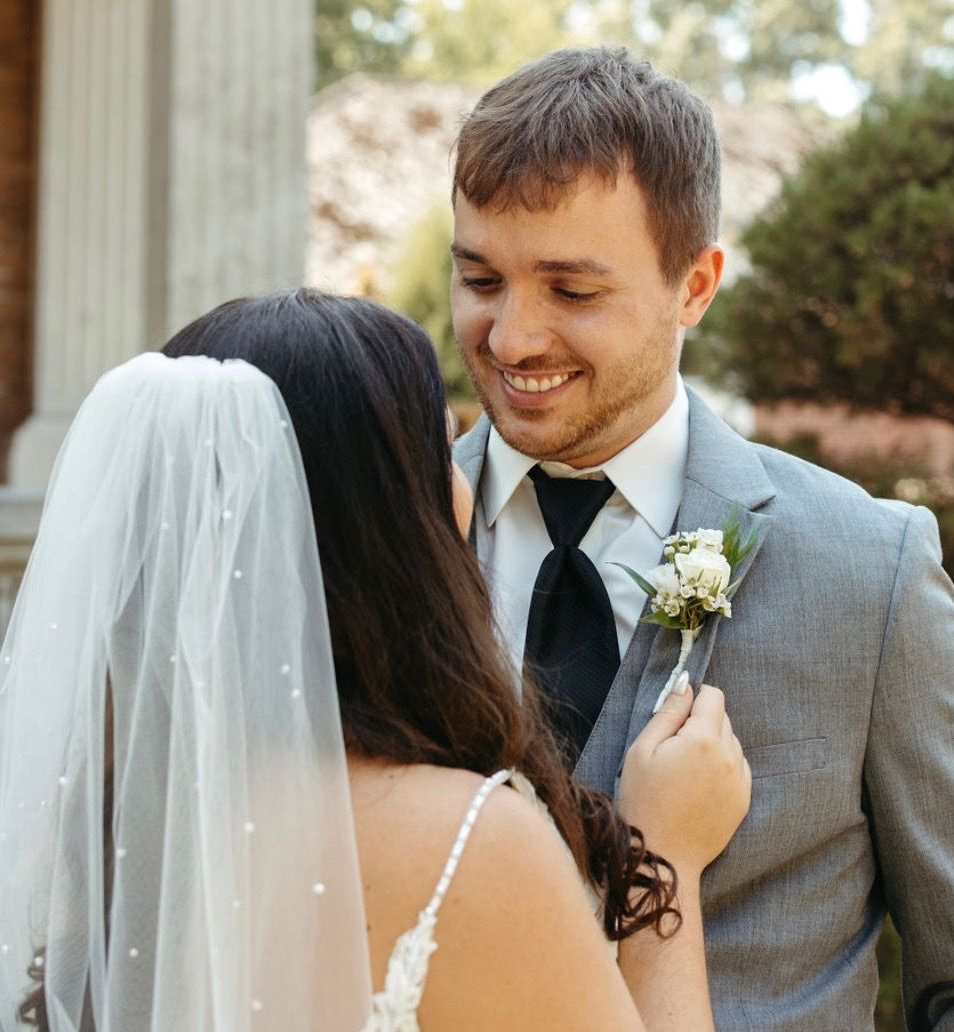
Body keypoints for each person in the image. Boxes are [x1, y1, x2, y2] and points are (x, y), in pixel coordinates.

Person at [0, 289, 750, 1032]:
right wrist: (672, 858)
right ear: (386, 523)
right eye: (439, 444)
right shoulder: (469, 848)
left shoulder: (128, 842)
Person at [450, 44, 954, 1032]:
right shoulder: (382, 536)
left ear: (696, 286)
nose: (512, 337)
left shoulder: (873, 572)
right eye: (480, 279)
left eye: (572, 291)